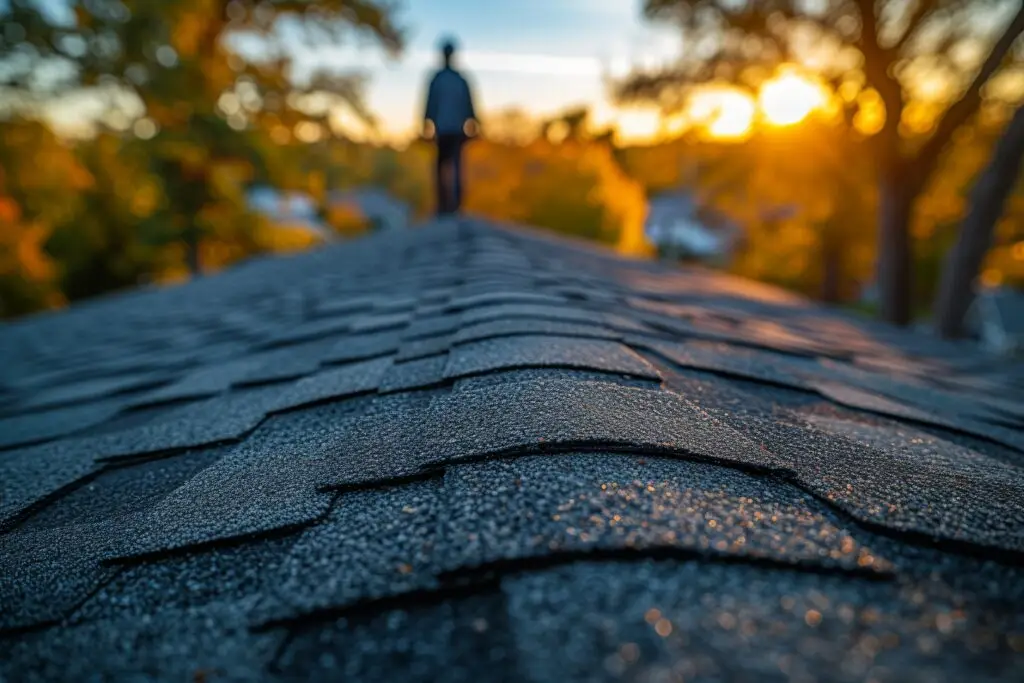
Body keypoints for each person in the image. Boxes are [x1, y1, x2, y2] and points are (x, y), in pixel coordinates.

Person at [423, 37, 478, 216]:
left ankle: (450, 205)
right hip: (448, 130)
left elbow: (469, 105)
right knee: (449, 166)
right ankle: (447, 205)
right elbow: (430, 105)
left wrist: (426, 124)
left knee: (450, 167)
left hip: (449, 130)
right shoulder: (454, 79)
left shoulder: (444, 79)